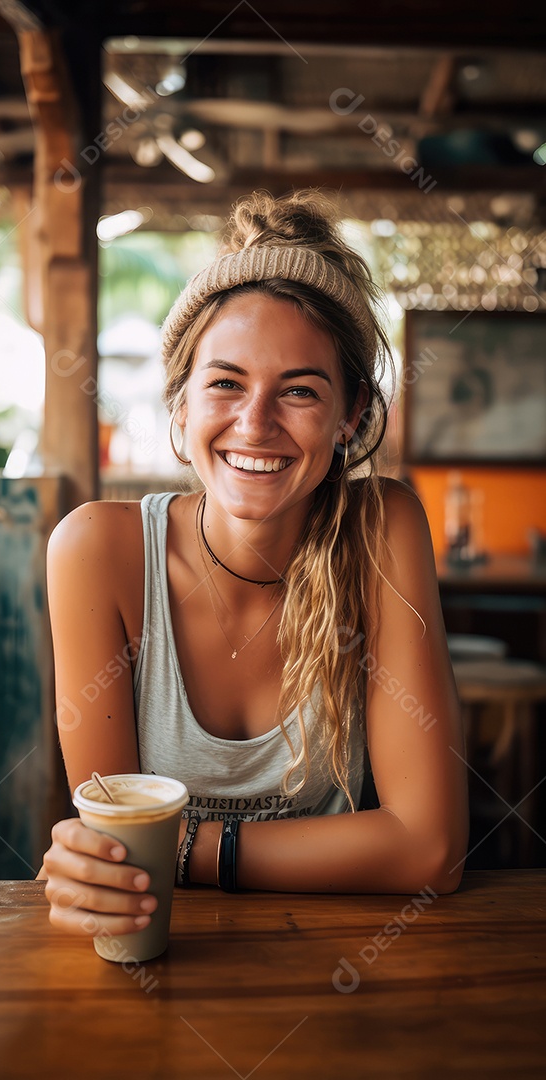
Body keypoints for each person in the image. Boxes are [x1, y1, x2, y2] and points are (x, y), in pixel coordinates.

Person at [40, 189, 468, 939]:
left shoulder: (379, 529)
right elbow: (114, 852)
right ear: (180, 405)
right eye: (226, 383)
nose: (255, 423)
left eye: (299, 391)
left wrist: (187, 848)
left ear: (351, 417)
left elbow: (428, 849)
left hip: (340, 968)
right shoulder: (97, 552)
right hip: (162, 953)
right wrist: (102, 867)